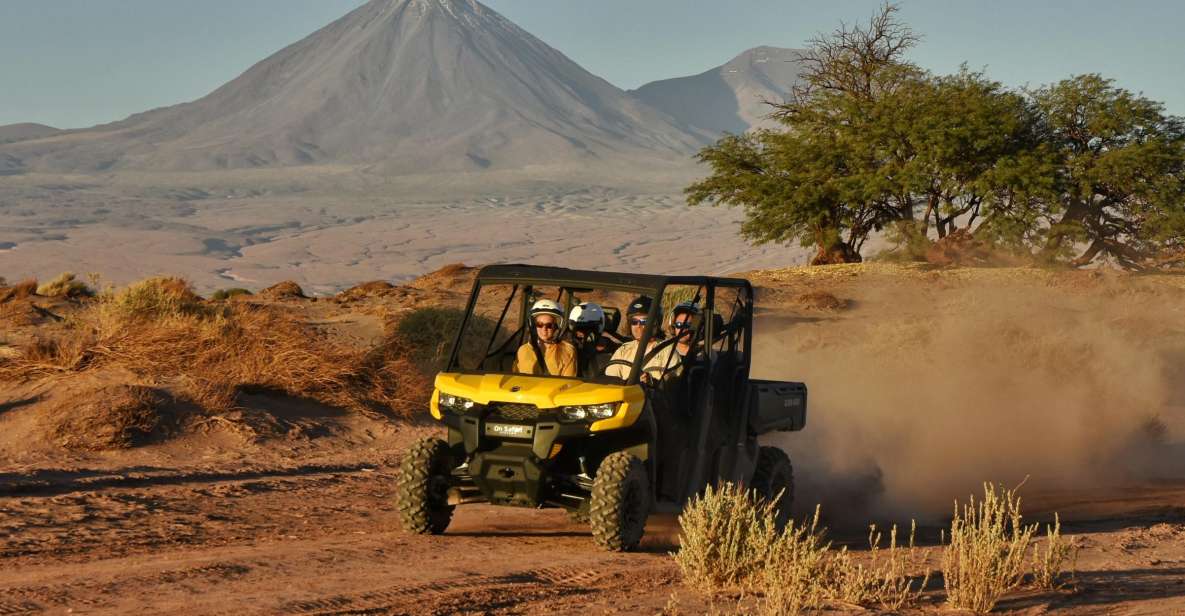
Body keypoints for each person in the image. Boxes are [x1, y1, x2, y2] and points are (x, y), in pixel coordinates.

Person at [605, 295, 677, 381]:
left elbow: (674, 386)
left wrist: (651, 381)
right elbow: (609, 381)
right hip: (625, 393)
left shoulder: (668, 351)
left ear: (656, 324)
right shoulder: (624, 350)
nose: (638, 326)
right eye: (634, 322)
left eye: (644, 321)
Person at [513, 299, 577, 377]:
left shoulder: (567, 351)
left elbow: (569, 383)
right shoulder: (523, 350)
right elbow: (516, 379)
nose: (544, 329)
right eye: (539, 324)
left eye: (549, 325)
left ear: (556, 327)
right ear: (533, 325)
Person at [569, 302, 618, 378]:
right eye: (578, 330)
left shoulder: (609, 349)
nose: (582, 335)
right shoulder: (566, 348)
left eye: (587, 329)